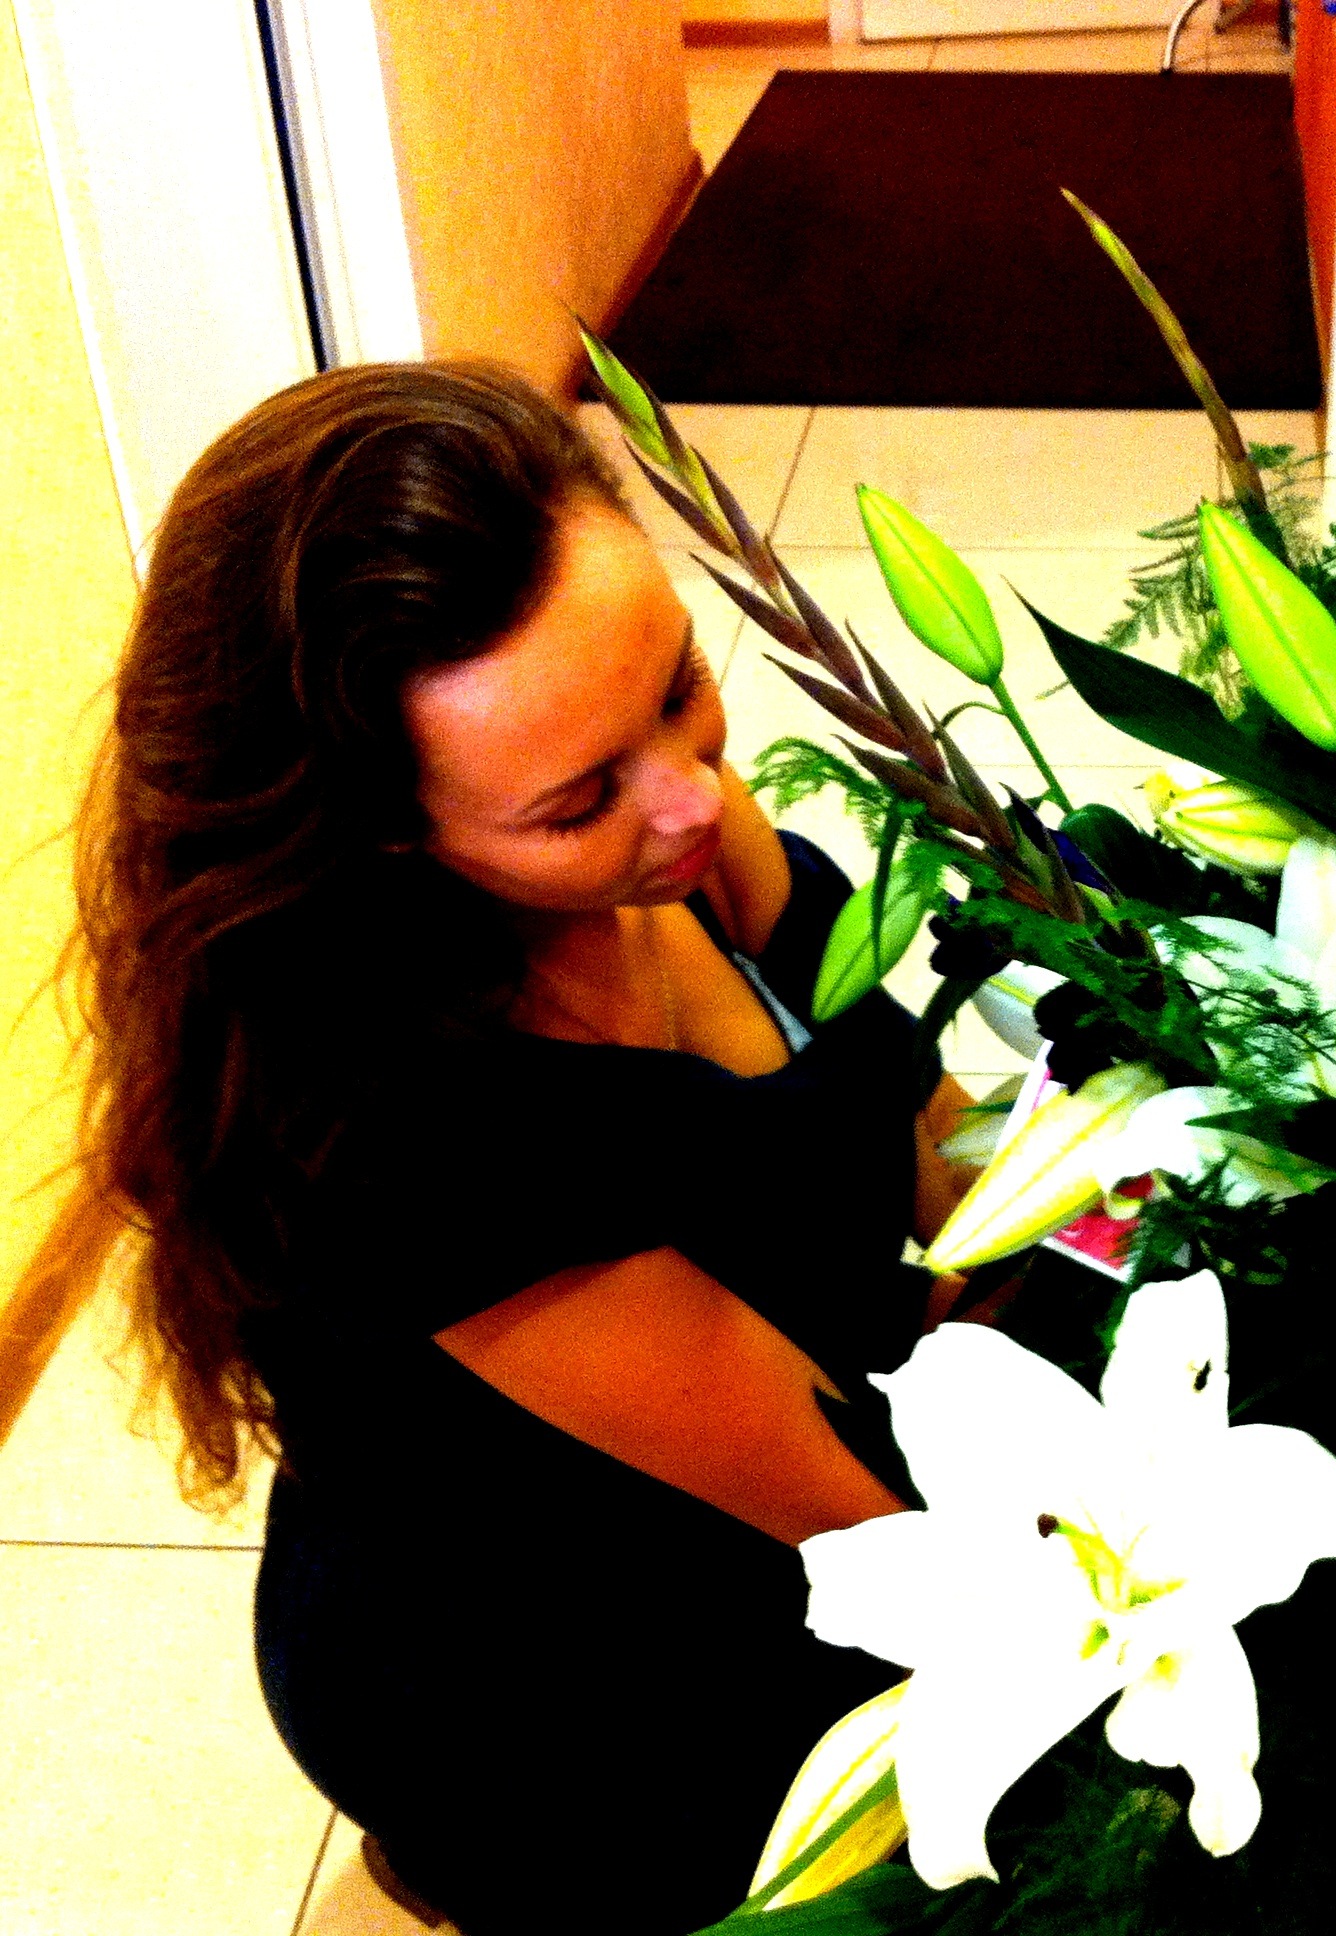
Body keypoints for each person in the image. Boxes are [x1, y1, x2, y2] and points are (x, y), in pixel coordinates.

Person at [21, 362, 975, 1933]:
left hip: (758, 1443)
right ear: (386, 834)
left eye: (678, 684)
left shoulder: (651, 804)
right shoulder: (413, 1145)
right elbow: (869, 1528)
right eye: (578, 801)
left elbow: (929, 1146)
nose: (690, 801)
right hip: (538, 1678)